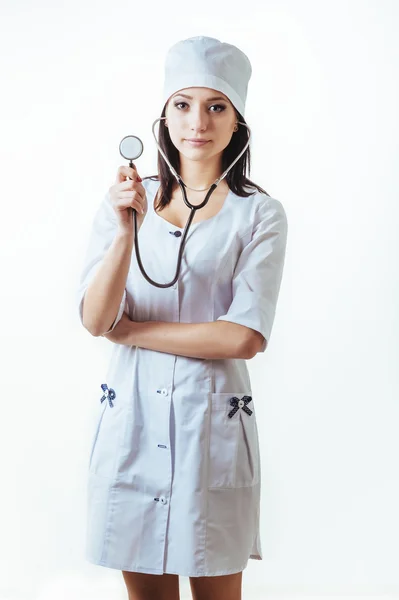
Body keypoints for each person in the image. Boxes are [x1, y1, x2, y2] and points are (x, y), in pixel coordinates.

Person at [76, 36, 288, 600]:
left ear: (238, 120)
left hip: (210, 425)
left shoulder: (259, 214)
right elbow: (97, 318)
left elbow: (243, 336)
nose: (198, 121)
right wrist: (126, 233)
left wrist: (136, 332)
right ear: (163, 117)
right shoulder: (127, 202)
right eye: (183, 104)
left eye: (216, 106)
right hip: (135, 419)